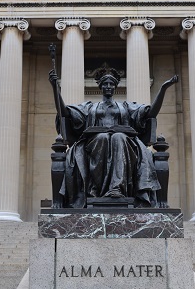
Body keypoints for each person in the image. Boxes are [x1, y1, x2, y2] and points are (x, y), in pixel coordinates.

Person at [49, 67, 178, 208]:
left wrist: (163, 89)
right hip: (94, 142)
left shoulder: (126, 107)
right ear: (100, 86)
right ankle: (96, 189)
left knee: (118, 137)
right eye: (105, 84)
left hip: (125, 143)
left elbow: (150, 113)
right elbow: (65, 112)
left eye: (111, 84)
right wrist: (55, 88)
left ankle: (116, 188)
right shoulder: (90, 107)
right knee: (103, 137)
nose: (108, 86)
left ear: (115, 86)